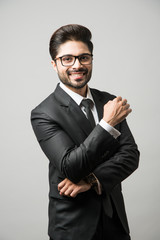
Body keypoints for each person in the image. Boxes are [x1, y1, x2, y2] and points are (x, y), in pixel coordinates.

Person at [31, 24, 139, 240]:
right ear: (54, 64)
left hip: (114, 221)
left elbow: (130, 156)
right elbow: (71, 166)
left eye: (84, 58)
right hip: (73, 226)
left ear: (91, 59)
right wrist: (107, 124)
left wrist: (91, 180)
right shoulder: (43, 113)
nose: (77, 65)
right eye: (67, 59)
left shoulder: (109, 101)